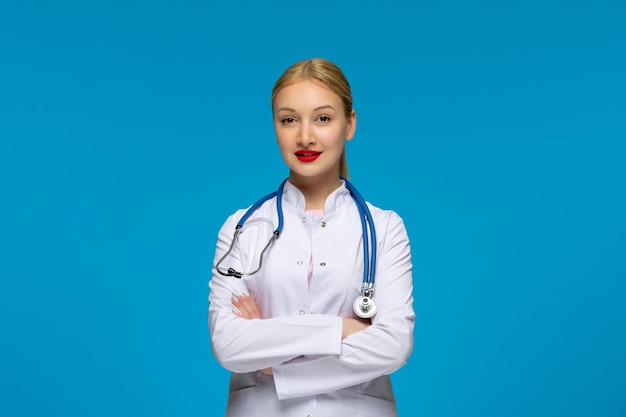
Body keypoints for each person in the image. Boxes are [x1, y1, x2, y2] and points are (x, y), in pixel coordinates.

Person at [208, 57, 415, 417]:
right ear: (275, 127)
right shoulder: (241, 227)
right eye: (289, 119)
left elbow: (394, 346)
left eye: (323, 118)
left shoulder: (384, 229)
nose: (305, 136)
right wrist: (343, 329)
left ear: (349, 124)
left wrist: (275, 364)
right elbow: (229, 346)